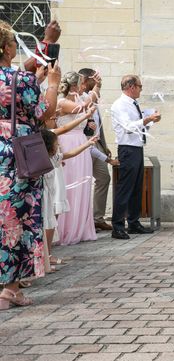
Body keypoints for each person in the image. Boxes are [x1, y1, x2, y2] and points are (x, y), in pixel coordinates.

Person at [0, 21, 61, 310]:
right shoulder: (19, 80)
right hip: (16, 155)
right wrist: (52, 85)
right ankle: (10, 289)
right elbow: (43, 112)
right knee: (16, 220)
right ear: (8, 48)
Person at [41, 106, 97, 266]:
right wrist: (85, 115)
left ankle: (48, 254)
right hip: (48, 189)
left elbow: (70, 154)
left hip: (54, 186)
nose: (55, 119)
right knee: (49, 218)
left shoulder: (54, 154)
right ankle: (46, 255)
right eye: (52, 117)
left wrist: (87, 144)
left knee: (53, 216)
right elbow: (65, 128)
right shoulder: (46, 137)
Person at [111, 74, 161, 239]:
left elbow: (138, 127)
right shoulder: (120, 105)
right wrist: (146, 119)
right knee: (125, 188)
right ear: (131, 86)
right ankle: (117, 226)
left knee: (137, 187)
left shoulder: (133, 103)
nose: (141, 89)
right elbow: (127, 127)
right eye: (140, 86)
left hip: (136, 147)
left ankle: (133, 222)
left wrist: (149, 121)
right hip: (127, 148)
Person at [55, 71, 100, 245]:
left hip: (81, 142)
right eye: (81, 84)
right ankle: (66, 230)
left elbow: (90, 101)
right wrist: (95, 88)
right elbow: (83, 107)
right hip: (68, 142)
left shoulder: (79, 99)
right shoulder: (62, 102)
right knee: (70, 185)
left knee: (82, 184)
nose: (83, 87)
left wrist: (97, 85)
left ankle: (80, 227)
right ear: (74, 85)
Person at [78, 67, 119, 231]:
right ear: (86, 80)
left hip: (96, 145)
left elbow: (98, 126)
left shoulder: (91, 99)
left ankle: (97, 217)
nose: (97, 83)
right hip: (83, 145)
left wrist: (105, 146)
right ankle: (83, 219)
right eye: (95, 80)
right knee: (83, 182)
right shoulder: (79, 99)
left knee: (104, 178)